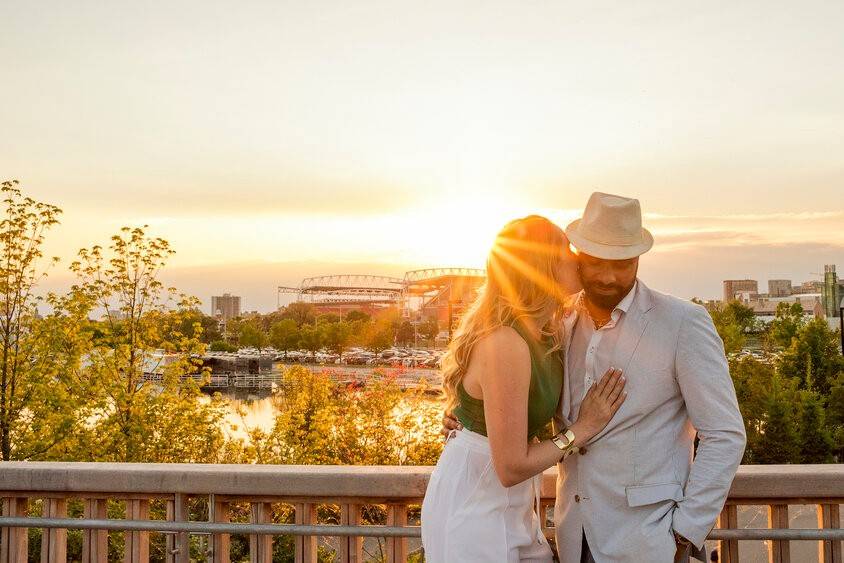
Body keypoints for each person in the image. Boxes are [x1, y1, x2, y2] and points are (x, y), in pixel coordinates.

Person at [443, 193, 747, 562]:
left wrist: (685, 531)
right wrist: (473, 425)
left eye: (623, 264)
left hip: (649, 541)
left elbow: (724, 433)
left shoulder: (683, 323)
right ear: (577, 257)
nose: (608, 276)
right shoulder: (558, 326)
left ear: (639, 258)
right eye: (597, 262)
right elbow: (520, 405)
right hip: (572, 537)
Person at [421, 215, 628, 562]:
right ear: (542, 267)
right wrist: (583, 429)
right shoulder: (506, 341)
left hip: (509, 499)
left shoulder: (546, 331)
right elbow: (510, 466)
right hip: (477, 501)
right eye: (566, 249)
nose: (576, 257)